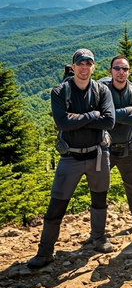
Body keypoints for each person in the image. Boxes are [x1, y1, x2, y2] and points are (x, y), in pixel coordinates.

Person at [27, 48, 115, 269]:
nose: (84, 68)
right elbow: (62, 124)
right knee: (57, 205)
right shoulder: (60, 91)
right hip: (70, 157)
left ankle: (98, 239)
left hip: (97, 154)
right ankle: (45, 252)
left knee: (99, 200)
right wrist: (93, 115)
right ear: (73, 66)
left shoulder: (101, 90)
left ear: (93, 66)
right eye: (80, 64)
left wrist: (77, 118)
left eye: (89, 64)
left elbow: (109, 122)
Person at [99, 56, 132, 229]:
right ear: (110, 70)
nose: (121, 72)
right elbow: (96, 114)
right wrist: (128, 111)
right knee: (100, 187)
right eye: (117, 68)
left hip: (128, 146)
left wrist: (110, 117)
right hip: (104, 147)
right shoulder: (101, 88)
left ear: (129, 71)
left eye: (125, 69)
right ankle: (97, 227)